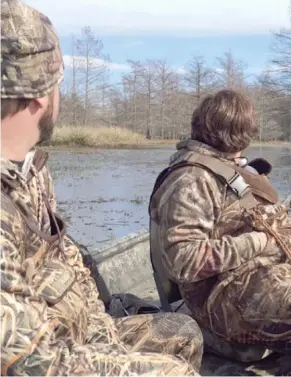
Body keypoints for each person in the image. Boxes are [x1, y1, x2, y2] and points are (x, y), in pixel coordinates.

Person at [0, 0, 204, 375]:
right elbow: (28, 362)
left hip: (72, 338)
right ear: (42, 95)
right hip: (44, 358)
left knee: (179, 330)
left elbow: (72, 267)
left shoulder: (31, 170)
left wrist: (104, 341)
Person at [149, 89, 291, 362]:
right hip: (223, 298)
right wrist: (260, 242)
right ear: (244, 133)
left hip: (259, 276)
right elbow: (184, 261)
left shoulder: (229, 167)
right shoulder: (191, 179)